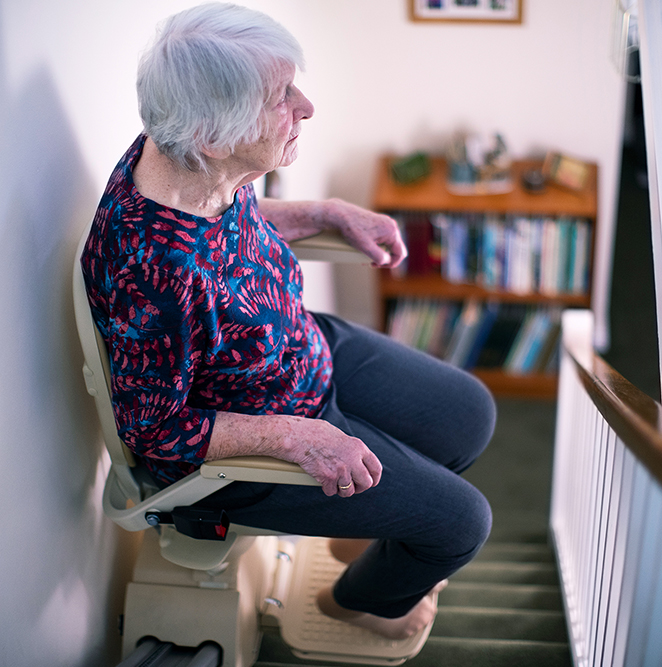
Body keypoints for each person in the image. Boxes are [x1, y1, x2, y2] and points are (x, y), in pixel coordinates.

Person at [81, 2, 496, 640]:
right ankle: (358, 602)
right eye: (282, 97)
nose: (306, 106)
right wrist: (294, 439)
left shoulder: (185, 155)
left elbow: (230, 225)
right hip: (251, 439)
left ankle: (376, 540)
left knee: (468, 414)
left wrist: (325, 213)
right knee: (461, 524)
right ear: (214, 137)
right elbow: (152, 431)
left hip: (297, 347)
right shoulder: (155, 275)